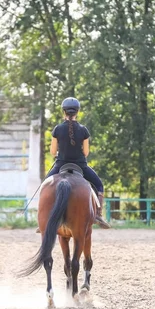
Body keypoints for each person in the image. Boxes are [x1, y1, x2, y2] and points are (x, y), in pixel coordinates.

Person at [45, 97, 110, 228]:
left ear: (64, 112)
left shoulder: (57, 129)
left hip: (60, 165)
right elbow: (86, 153)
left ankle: (46, 217)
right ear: (77, 112)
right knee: (99, 185)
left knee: (45, 186)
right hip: (81, 166)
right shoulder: (84, 130)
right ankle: (98, 215)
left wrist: (61, 153)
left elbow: (52, 152)